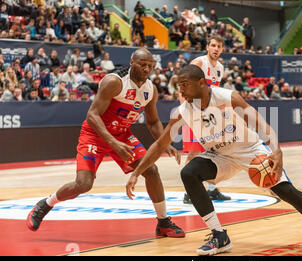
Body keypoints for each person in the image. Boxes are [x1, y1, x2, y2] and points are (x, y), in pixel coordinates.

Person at [125, 64, 302, 255]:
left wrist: (277, 150)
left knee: (284, 190)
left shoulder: (228, 98)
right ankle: (219, 235)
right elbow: (159, 145)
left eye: (184, 84)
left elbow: (260, 123)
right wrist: (136, 173)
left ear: (201, 83)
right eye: (178, 85)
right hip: (220, 156)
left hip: (250, 149)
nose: (180, 90)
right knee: (189, 172)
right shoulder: (183, 111)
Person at [26, 48, 186, 238]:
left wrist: (164, 143)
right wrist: (113, 142)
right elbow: (92, 115)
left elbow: (152, 122)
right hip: (95, 134)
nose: (146, 69)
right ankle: (46, 204)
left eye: (150, 66)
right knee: (83, 184)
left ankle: (163, 222)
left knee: (151, 170)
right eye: (142, 65)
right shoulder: (114, 82)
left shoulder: (150, 89)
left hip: (122, 135)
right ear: (132, 63)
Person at [182, 35, 231, 203]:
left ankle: (212, 189)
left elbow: (214, 93)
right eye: (213, 45)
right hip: (195, 112)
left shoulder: (220, 68)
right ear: (207, 47)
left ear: (222, 49)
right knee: (195, 153)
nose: (216, 49)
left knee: (215, 151)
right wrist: (186, 109)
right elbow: (182, 82)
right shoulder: (199, 63)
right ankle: (188, 192)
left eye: (219, 46)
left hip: (210, 114)